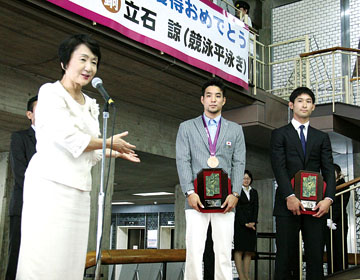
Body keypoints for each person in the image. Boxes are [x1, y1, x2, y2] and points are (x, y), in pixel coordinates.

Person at [16, 34, 140, 280]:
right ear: (65, 62)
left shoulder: (91, 103)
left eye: (94, 62)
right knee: (44, 255)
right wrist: (105, 142)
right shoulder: (50, 93)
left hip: (79, 189)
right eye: (83, 59)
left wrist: (110, 151)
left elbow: (86, 148)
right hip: (49, 186)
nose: (89, 67)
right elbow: (67, 137)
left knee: (71, 258)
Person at [176, 77, 246, 280]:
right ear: (202, 100)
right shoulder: (186, 127)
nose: (213, 100)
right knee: (194, 252)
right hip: (196, 199)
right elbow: (183, 161)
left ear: (224, 100)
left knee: (223, 253)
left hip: (225, 200)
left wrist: (235, 194)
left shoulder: (236, 130)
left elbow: (239, 163)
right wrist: (189, 192)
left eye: (217, 96)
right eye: (209, 96)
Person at [270, 86, 335, 280]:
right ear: (291, 105)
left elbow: (329, 170)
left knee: (315, 256)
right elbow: (278, 168)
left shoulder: (321, 137)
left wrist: (329, 199)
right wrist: (290, 196)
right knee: (285, 257)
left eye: (308, 101)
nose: (304, 104)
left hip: (317, 207)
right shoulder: (279, 134)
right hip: (287, 205)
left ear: (313, 106)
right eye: (300, 100)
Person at [5, 96, 37, 280]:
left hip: (49, 209)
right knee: (17, 256)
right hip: (23, 206)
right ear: (29, 114)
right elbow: (21, 175)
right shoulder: (20, 138)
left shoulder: (55, 141)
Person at [234, 170, 258, 280]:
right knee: (239, 250)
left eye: (248, 178)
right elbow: (238, 209)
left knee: (249, 250)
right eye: (244, 178)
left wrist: (253, 221)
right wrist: (245, 223)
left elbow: (256, 208)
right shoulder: (237, 191)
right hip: (240, 224)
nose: (246, 180)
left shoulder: (254, 192)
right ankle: (241, 276)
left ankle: (247, 275)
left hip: (252, 225)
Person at [326, 163, 350, 273]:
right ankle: (332, 273)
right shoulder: (327, 185)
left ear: (338, 173)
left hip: (339, 222)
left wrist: (332, 219)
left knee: (340, 249)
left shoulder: (343, 185)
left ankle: (341, 272)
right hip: (327, 221)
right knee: (330, 249)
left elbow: (341, 204)